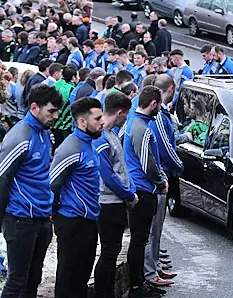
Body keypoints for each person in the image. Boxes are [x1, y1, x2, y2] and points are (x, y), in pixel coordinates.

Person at [0, 85, 63, 297]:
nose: (56, 116)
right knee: (17, 280)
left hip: (41, 219)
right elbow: (0, 181)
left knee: (33, 278)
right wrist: (1, 220)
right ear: (34, 108)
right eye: (51, 111)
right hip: (20, 219)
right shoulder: (20, 136)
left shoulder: (44, 134)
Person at [51, 97, 104, 298]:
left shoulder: (90, 144)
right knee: (68, 278)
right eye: (97, 118)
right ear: (82, 122)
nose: (102, 122)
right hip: (72, 222)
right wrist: (55, 214)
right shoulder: (71, 147)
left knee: (81, 279)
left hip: (89, 221)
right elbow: (53, 183)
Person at [123, 86, 168, 298]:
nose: (160, 108)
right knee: (139, 240)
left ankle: (140, 282)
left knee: (139, 239)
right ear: (153, 104)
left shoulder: (134, 123)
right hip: (143, 190)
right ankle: (136, 286)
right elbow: (147, 163)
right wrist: (160, 183)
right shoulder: (142, 128)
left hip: (138, 187)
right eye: (159, 105)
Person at [93, 93, 139, 298]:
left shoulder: (111, 134)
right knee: (109, 253)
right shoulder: (103, 137)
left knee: (111, 252)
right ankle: (103, 293)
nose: (126, 119)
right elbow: (108, 175)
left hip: (114, 202)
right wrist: (129, 195)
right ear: (119, 113)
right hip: (108, 203)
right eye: (126, 115)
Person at [145, 75, 183, 288]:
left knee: (157, 226)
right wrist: (179, 166)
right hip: (157, 178)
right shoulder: (156, 117)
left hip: (159, 176)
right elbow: (163, 148)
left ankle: (154, 265)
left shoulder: (159, 115)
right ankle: (150, 270)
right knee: (153, 227)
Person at [52, 66, 78, 151]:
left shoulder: (56, 85)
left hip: (55, 122)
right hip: (66, 125)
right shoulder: (73, 89)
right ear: (73, 77)